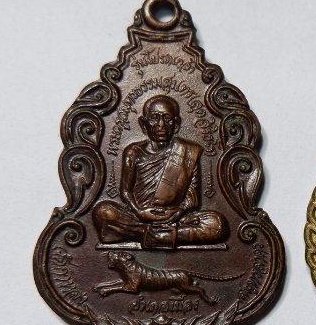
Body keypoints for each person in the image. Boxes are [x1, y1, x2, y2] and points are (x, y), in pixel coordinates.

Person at [92, 95, 225, 248]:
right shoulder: (133, 152)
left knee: (218, 224)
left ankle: (142, 234)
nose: (161, 124)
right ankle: (165, 235)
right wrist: (139, 212)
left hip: (174, 217)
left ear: (176, 124)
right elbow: (126, 192)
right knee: (103, 211)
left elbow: (192, 197)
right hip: (139, 216)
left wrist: (179, 212)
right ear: (143, 124)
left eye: (167, 119)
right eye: (154, 118)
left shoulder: (189, 152)